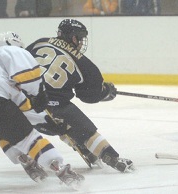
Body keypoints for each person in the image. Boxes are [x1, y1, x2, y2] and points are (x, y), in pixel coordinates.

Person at [0, 31, 84, 187]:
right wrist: (39, 93)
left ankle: (24, 158)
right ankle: (61, 170)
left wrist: (46, 122)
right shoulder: (12, 51)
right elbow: (28, 75)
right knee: (28, 138)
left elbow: (23, 109)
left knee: (5, 130)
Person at [25, 19, 135, 173]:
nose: (82, 43)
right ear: (73, 37)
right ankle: (110, 156)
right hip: (54, 106)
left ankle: (21, 152)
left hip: (23, 101)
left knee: (33, 126)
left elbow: (19, 62)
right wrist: (105, 91)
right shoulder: (82, 61)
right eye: (80, 38)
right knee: (70, 122)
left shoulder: (40, 42)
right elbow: (89, 95)